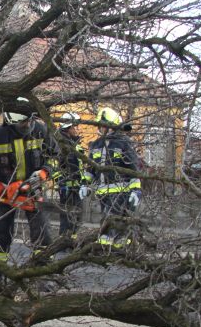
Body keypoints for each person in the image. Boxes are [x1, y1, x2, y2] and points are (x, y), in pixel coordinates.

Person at [0, 98, 53, 279]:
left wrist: (44, 172)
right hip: (6, 191)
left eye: (30, 120)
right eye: (24, 122)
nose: (28, 124)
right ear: (11, 122)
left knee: (42, 233)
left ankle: (43, 277)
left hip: (33, 190)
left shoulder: (41, 131)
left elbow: (55, 156)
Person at [84, 106, 142, 248]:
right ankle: (119, 247)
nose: (101, 128)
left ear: (112, 126)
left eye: (103, 125)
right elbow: (90, 169)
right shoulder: (96, 144)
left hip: (120, 191)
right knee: (115, 220)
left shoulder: (123, 143)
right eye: (100, 125)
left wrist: (136, 191)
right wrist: (84, 184)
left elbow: (133, 169)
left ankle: (106, 244)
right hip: (103, 193)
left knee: (112, 219)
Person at [50, 112, 91, 239]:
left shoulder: (75, 144)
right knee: (67, 216)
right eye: (75, 126)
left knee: (77, 216)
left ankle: (71, 240)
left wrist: (85, 183)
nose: (77, 129)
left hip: (77, 186)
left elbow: (81, 166)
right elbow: (53, 164)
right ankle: (63, 241)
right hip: (67, 187)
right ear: (68, 128)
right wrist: (60, 182)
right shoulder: (61, 144)